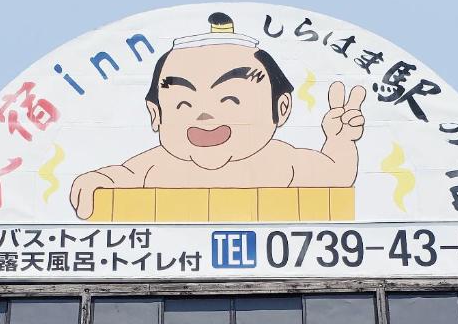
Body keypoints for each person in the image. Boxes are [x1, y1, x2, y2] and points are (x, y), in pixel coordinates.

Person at [70, 12, 367, 219]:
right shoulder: (154, 165)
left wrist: (340, 141)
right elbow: (121, 176)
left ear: (281, 108)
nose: (204, 115)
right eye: (183, 103)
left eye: (231, 99)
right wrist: (95, 181)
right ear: (155, 114)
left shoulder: (284, 160)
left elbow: (335, 176)